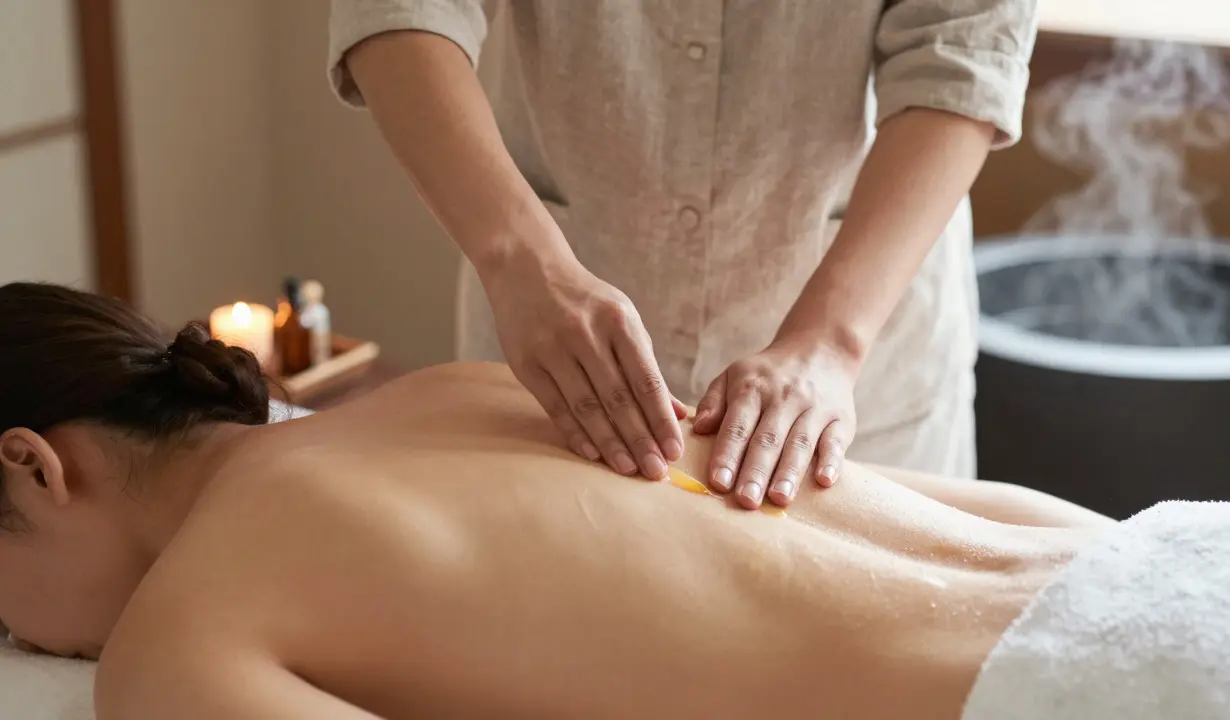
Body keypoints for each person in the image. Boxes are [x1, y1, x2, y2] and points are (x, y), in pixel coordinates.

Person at [0, 283, 1111, 718]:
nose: (15, 635)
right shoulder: (452, 390)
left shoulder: (174, 647)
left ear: (33, 466)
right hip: (1155, 567)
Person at [327, 1, 1039, 509]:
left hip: (869, 342)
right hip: (551, 327)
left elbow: (964, 46)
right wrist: (519, 258)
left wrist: (831, 341)